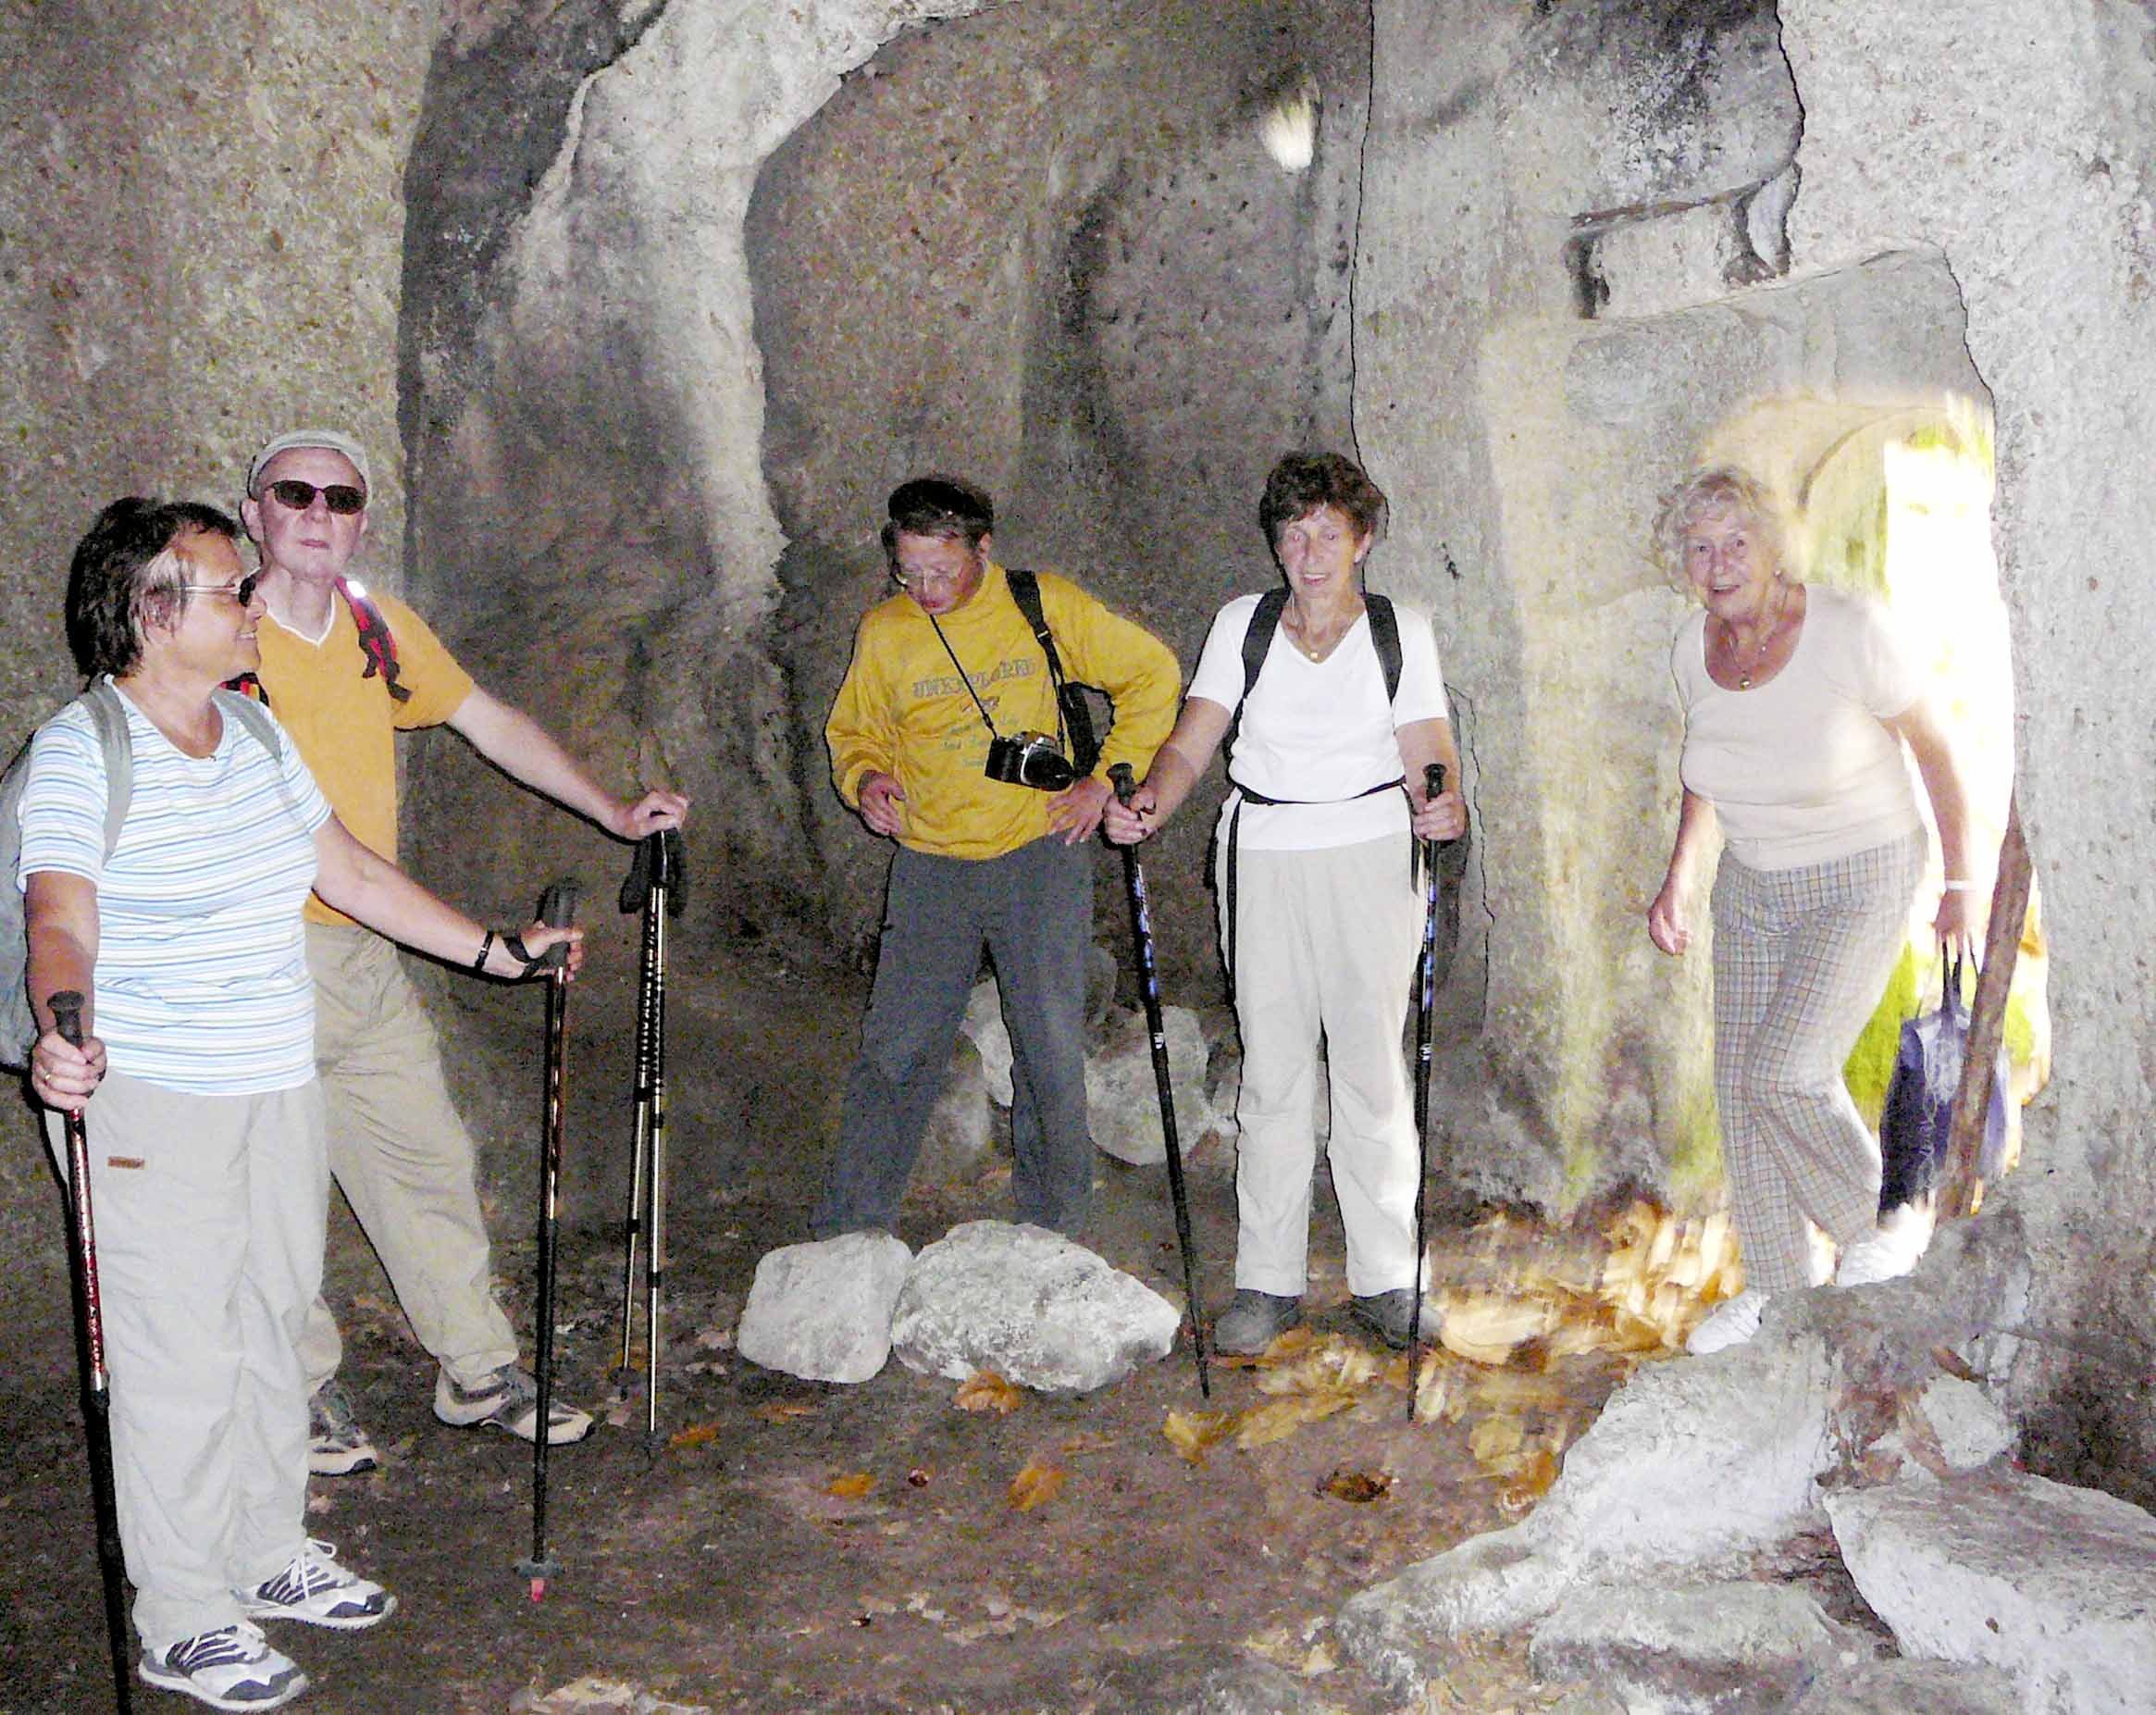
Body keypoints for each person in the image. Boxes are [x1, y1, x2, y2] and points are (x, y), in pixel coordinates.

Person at [20, 498, 580, 1710]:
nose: (252, 603)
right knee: (180, 1355)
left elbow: (349, 872)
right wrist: (63, 1028)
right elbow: (59, 914)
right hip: (149, 1099)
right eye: (230, 589)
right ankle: (182, 1615)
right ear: (151, 612)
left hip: (275, 1081)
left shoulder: (252, 730)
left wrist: (496, 951)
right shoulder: (83, 752)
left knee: (274, 1322)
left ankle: (264, 1548)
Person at [235, 429, 688, 1475]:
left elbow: (489, 721)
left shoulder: (376, 627)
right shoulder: (222, 638)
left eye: (341, 498)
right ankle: (295, 1386)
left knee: (425, 1157)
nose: (317, 513)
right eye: (293, 493)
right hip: (253, 954)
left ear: (362, 521)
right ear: (253, 511)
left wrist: (613, 811)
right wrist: (488, 949)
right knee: (271, 1191)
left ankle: (476, 1368)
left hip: (364, 952)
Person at [1103, 452, 1466, 1354]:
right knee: (1272, 1068)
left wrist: (1444, 798)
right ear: (1275, 542)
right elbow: (1193, 741)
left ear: (1362, 541)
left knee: (1370, 1067)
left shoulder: (1400, 629)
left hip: (1371, 850)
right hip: (1262, 850)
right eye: (1294, 535)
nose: (1309, 554)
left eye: (1328, 534)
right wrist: (1151, 801)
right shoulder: (1244, 623)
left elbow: (1426, 739)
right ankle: (1267, 1280)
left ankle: (1387, 1276)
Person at [1644, 466, 1975, 1355]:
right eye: (1700, 548)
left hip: (1861, 872)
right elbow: (1707, 768)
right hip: (1753, 885)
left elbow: (1937, 749)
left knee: (1784, 1073)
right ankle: (1779, 1288)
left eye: (1736, 542)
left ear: (1774, 546)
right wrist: (1680, 877)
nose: (1719, 563)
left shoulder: (1848, 630)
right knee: (1739, 1089)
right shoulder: (1692, 648)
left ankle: (1887, 1231)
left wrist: (1961, 884)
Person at [819, 475, 1180, 1239]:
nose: (925, 590)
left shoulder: (1039, 604)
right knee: (897, 1045)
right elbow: (854, 731)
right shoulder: (885, 631)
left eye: (942, 571)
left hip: (1037, 855)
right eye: (909, 573)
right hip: (931, 865)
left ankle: (1052, 1228)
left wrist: (1101, 780)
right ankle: (851, 1229)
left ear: (983, 548)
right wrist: (867, 779)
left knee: (1049, 1047)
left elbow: (1152, 674)